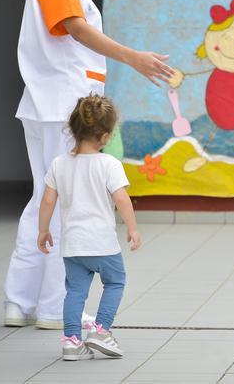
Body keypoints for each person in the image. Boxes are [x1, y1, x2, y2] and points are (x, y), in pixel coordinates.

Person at [4, 0, 173, 329]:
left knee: (43, 199)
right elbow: (76, 30)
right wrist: (133, 57)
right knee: (65, 204)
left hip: (47, 104)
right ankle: (51, 308)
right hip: (60, 107)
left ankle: (18, 300)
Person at [36, 95, 140, 361]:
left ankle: (71, 341)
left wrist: (43, 230)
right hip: (102, 243)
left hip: (73, 245)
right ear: (105, 136)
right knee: (115, 282)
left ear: (74, 129)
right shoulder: (109, 165)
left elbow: (48, 200)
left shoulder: (59, 163)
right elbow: (121, 199)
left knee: (74, 292)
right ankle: (101, 331)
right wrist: (132, 228)